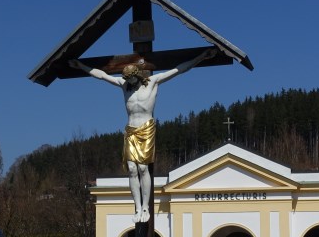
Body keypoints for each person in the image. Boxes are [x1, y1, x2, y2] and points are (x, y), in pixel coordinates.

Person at [70, 48, 217, 223]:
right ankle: (138, 207)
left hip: (146, 129)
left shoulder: (154, 81)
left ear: (138, 75)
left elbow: (178, 70)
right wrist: (80, 66)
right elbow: (101, 75)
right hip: (131, 129)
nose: (128, 81)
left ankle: (146, 206)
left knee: (142, 168)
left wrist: (200, 57)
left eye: (131, 78)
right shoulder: (124, 86)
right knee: (132, 169)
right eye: (126, 79)